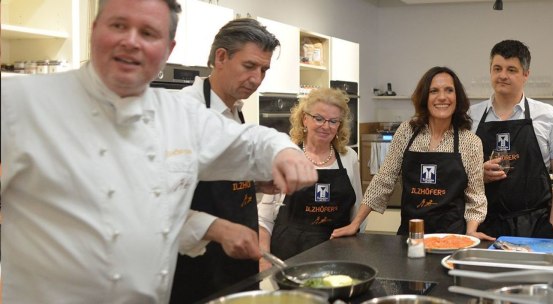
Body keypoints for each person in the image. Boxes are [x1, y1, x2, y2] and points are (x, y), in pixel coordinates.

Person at [0, 0, 318, 302]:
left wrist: (285, 154)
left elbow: (251, 143)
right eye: (119, 25)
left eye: (149, 33)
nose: (131, 42)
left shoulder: (179, 115)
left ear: (168, 49)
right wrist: (216, 228)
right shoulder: (16, 102)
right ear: (94, 29)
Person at [169, 18, 280, 303]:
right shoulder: (184, 111)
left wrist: (255, 183)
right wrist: (218, 229)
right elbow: (161, 203)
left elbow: (210, 173)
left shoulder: (236, 111)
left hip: (240, 263)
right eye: (249, 66)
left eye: (264, 70)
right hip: (198, 268)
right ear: (221, 57)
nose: (257, 79)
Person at [333, 67, 490, 239]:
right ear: (424, 97)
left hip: (452, 238)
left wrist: (471, 232)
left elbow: (475, 196)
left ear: (457, 97)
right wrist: (355, 224)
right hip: (411, 236)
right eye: (434, 91)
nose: (442, 97)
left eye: (449, 90)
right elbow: (384, 180)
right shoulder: (407, 132)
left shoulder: (470, 142)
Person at [470, 40, 553, 239]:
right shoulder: (470, 117)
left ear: (526, 74)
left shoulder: (548, 116)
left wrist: (551, 229)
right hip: (483, 227)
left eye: (511, 70)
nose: (503, 75)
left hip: (534, 228)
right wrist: (478, 175)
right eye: (497, 68)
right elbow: (459, 178)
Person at [258, 88, 363, 267]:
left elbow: (357, 214)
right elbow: (264, 218)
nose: (326, 126)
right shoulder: (285, 156)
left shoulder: (349, 158)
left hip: (338, 259)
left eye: (333, 121)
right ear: (304, 119)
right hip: (288, 258)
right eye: (319, 118)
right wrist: (264, 259)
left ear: (339, 125)